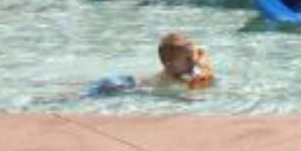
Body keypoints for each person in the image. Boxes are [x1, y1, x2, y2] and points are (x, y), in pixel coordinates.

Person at [83, 32, 214, 97]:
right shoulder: (168, 81)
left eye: (192, 56)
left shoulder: (180, 72)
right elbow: (169, 94)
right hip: (118, 85)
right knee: (82, 95)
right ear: (169, 65)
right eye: (187, 59)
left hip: (128, 80)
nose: (193, 61)